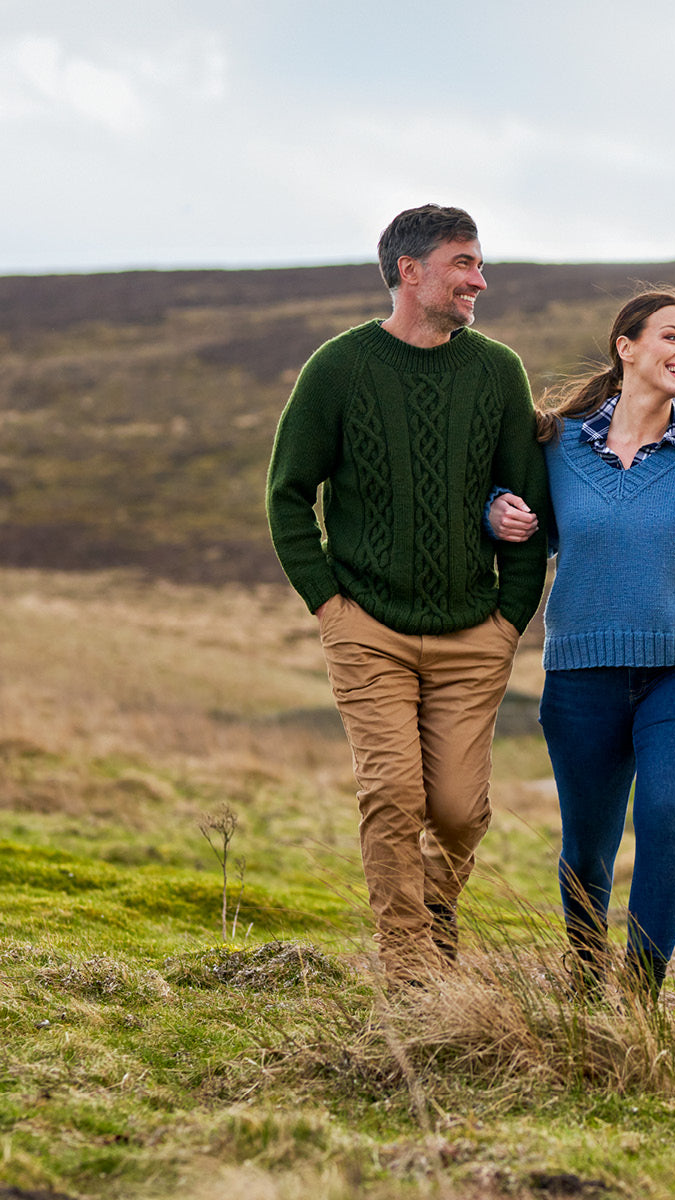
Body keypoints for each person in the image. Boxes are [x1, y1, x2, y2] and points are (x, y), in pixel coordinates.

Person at [266, 204, 550, 986]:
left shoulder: (497, 372)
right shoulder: (339, 368)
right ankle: (411, 976)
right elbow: (288, 493)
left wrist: (510, 617)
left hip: (473, 633)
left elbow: (532, 501)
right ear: (410, 270)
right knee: (392, 794)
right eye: (464, 262)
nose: (479, 280)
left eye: (480, 263)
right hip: (369, 627)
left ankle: (431, 912)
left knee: (458, 811)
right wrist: (329, 604)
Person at [490, 286, 675, 998]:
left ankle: (640, 996)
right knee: (587, 847)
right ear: (625, 346)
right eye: (670, 336)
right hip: (582, 673)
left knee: (663, 817)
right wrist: (493, 512)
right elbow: (519, 514)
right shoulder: (559, 443)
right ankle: (586, 975)